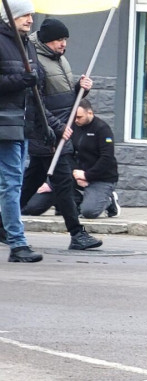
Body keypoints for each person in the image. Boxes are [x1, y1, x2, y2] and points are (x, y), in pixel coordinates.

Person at [21, 16, 103, 250]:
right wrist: (57, 128)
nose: (63, 44)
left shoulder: (59, 60)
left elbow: (64, 100)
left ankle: (3, 222)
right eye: (58, 40)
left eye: (65, 39)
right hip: (48, 133)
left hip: (58, 131)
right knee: (64, 182)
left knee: (33, 180)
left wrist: (80, 90)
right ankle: (77, 233)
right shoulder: (36, 62)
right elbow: (37, 103)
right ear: (46, 41)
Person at [0, 0, 44, 262]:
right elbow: (18, 82)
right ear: (11, 16)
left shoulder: (27, 45)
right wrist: (21, 79)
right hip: (5, 123)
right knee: (11, 183)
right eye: (25, 14)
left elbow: (35, 89)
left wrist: (45, 125)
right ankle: (17, 244)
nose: (31, 19)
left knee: (10, 182)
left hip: (23, 123)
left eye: (31, 14)